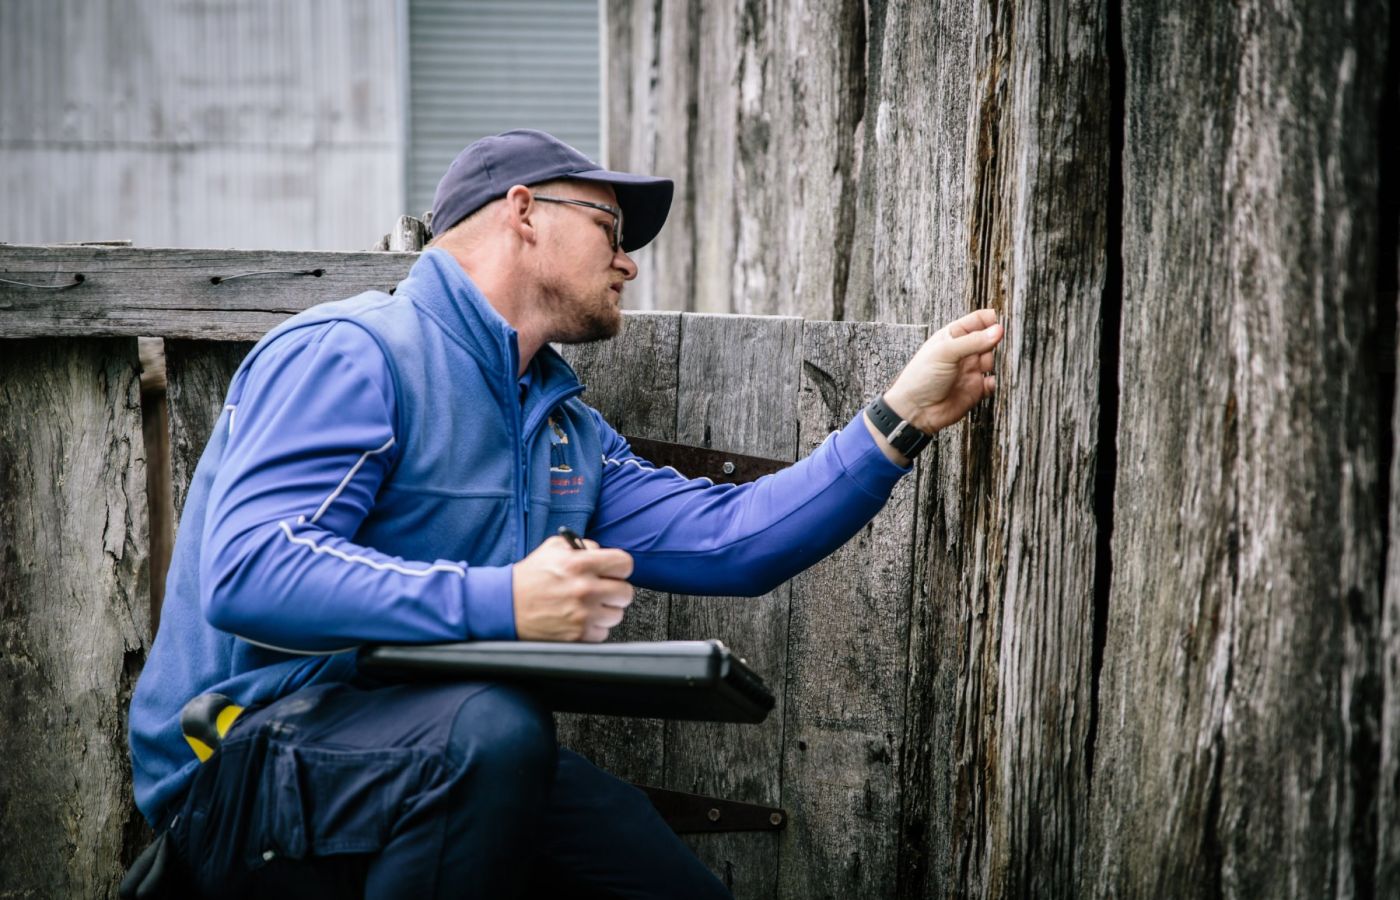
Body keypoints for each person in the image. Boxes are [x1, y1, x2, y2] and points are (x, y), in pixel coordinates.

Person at [127, 129, 1004, 898]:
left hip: (453, 755)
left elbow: (736, 544)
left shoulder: (565, 430)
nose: (628, 261)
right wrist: (505, 599)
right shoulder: (356, 353)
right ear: (522, 212)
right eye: (610, 231)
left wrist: (900, 420)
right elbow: (253, 571)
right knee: (498, 731)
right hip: (234, 774)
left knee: (652, 871)